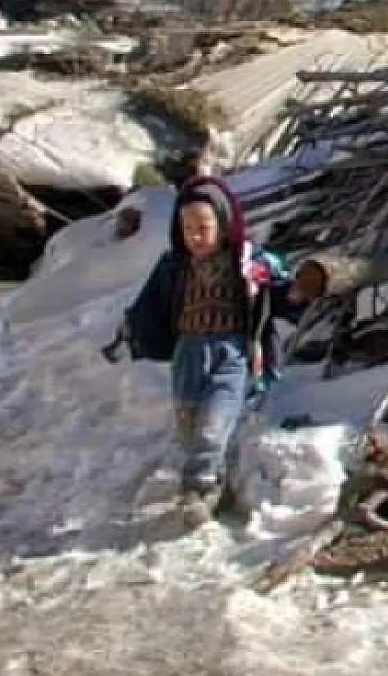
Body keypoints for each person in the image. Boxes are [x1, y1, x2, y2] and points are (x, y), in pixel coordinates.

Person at [110, 175, 307, 526]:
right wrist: (130, 327)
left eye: (203, 226)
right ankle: (211, 476)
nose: (196, 236)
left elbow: (277, 286)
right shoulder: (174, 266)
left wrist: (296, 293)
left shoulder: (246, 262)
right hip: (188, 352)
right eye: (188, 228)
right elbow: (149, 303)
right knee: (189, 423)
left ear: (223, 222)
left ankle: (199, 487)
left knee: (213, 422)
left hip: (231, 351)